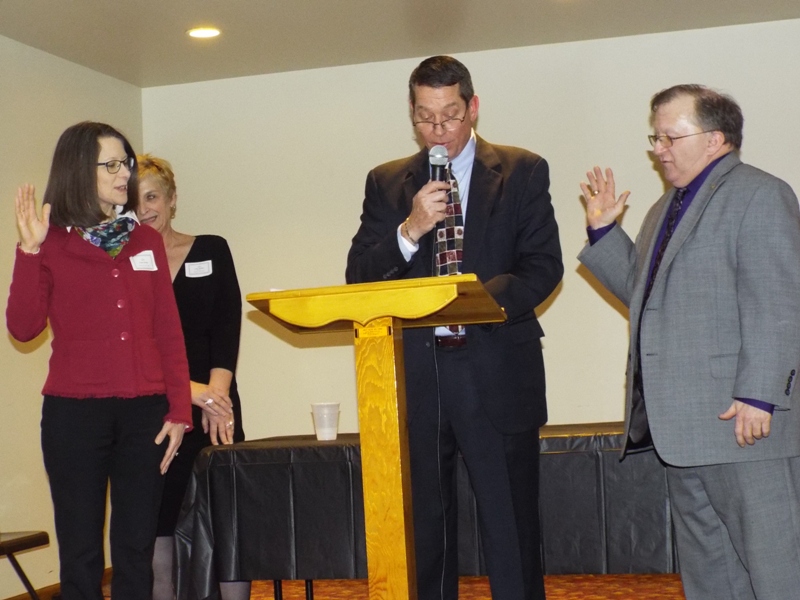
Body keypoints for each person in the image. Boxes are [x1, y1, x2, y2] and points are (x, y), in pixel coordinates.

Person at [346, 56, 563, 600]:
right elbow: (359, 276)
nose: (438, 129)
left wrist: (474, 303)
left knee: (510, 528)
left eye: (449, 115)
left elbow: (543, 267)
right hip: (417, 376)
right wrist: (410, 229)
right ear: (412, 114)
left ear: (473, 107)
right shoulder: (387, 182)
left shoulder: (522, 170)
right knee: (425, 531)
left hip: (494, 366)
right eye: (425, 117)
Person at [578, 85, 800, 599]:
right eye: (655, 138)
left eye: (669, 137)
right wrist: (603, 232)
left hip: (744, 425)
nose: (658, 149)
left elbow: (781, 302)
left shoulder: (760, 194)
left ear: (715, 139)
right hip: (684, 431)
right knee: (711, 577)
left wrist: (759, 393)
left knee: (777, 571)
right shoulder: (663, 209)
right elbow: (645, 297)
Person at [6, 122, 193, 600]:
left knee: (135, 551)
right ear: (77, 169)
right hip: (74, 416)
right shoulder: (49, 241)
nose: (124, 174)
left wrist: (178, 411)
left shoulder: (145, 241)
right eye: (111, 165)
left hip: (145, 415)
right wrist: (29, 251)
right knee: (81, 555)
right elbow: (22, 327)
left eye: (125, 164)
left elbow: (168, 331)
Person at [136, 154, 248, 600]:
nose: (144, 209)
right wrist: (189, 394)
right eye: (134, 201)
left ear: (171, 199)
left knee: (229, 522)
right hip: (156, 405)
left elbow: (227, 325)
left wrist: (216, 397)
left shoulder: (211, 249)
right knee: (159, 523)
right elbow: (136, 348)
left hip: (216, 405)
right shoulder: (122, 266)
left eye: (152, 197)